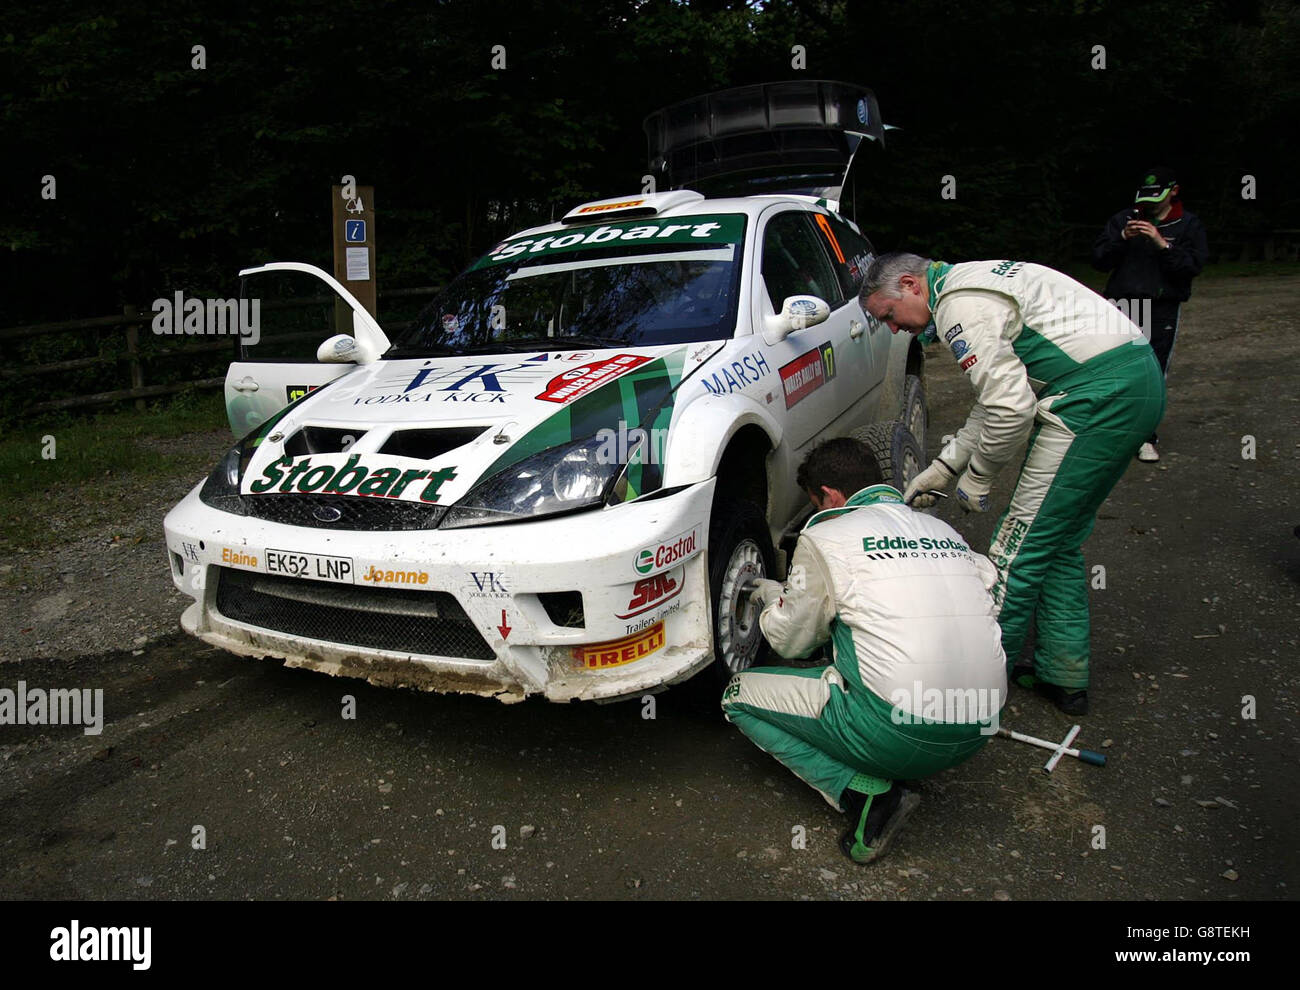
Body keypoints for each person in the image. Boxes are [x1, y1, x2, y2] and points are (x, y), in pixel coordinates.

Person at [860, 253, 1165, 715]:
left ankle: (971, 693)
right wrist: (945, 468)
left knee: (1016, 545)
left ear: (910, 285)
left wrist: (979, 478)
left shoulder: (961, 306)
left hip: (1097, 397)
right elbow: (996, 398)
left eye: (888, 315)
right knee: (1056, 540)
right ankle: (1063, 675)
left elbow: (1010, 410)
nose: (895, 329)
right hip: (1131, 381)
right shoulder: (968, 282)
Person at [721, 437, 1006, 865]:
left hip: (899, 729)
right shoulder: (943, 532)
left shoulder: (827, 536)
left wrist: (769, 600)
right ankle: (893, 750)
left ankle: (864, 794)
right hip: (981, 722)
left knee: (737, 697)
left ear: (830, 496)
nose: (817, 512)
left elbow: (790, 640)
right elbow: (985, 594)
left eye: (815, 503)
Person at [1092, 166, 1208, 462]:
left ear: (1174, 192)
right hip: (1123, 304)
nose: (1150, 205)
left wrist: (1162, 244)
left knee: (1151, 373)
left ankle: (1144, 436)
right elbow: (1099, 260)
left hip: (1161, 307)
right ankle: (1110, 434)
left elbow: (1192, 267)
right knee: (1114, 370)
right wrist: (1120, 237)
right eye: (1146, 198)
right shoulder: (1125, 218)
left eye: (1157, 198)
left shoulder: (1188, 224)